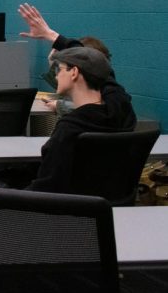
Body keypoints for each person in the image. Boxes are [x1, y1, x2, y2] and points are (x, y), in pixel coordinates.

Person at [23, 46, 136, 193]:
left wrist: (2, 193)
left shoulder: (69, 127)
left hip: (69, 210)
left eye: (59, 70)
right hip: (111, 207)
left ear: (74, 72)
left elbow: (46, 187)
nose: (56, 76)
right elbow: (106, 76)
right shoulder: (123, 114)